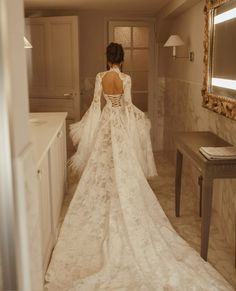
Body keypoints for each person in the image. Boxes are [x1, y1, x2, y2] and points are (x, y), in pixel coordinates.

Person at [45, 43, 232, 290]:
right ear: (121, 59)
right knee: (124, 166)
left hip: (105, 125)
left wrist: (86, 129)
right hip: (119, 124)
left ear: (107, 58)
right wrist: (140, 119)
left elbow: (94, 107)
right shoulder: (126, 78)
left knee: (101, 166)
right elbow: (128, 106)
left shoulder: (101, 77)